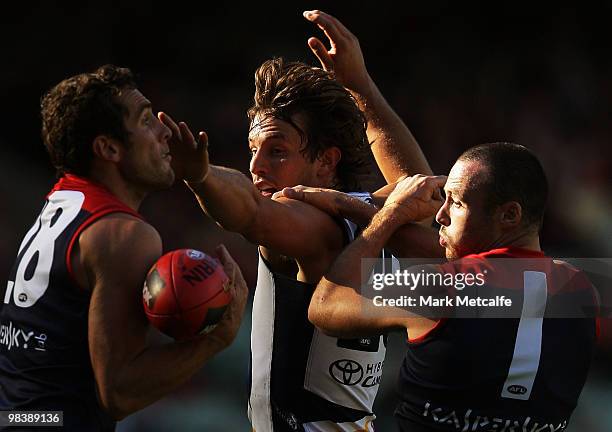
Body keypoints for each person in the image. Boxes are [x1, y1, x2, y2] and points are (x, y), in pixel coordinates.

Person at [162, 10, 434, 431]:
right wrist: (360, 85)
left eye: (277, 151)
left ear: (326, 162)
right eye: (253, 149)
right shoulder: (374, 210)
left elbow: (248, 212)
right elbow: (416, 187)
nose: (256, 165)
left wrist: (200, 177)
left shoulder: (312, 224)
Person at [0, 65, 248, 431]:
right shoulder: (126, 236)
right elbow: (118, 394)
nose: (166, 131)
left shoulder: (64, 199)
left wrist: (200, 176)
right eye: (146, 120)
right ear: (109, 148)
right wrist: (216, 340)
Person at [286, 142, 598, 431]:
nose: (440, 214)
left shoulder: (437, 287)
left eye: (457, 203)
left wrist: (390, 215)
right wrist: (354, 208)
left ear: (510, 215)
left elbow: (325, 307)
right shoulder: (582, 289)